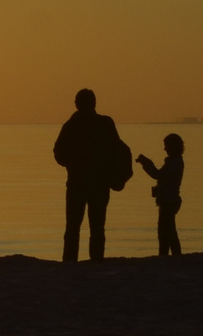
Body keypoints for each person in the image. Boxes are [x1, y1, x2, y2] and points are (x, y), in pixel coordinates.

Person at [51, 88, 128, 262]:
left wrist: (71, 164)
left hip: (80, 183)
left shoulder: (72, 125)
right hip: (97, 182)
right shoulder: (104, 124)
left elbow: (58, 152)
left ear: (77, 104)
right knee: (96, 227)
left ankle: (71, 262)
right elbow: (118, 149)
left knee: (74, 227)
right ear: (93, 103)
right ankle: (96, 261)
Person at [137, 133, 186, 257]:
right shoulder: (174, 162)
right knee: (168, 231)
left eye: (166, 146)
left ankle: (167, 255)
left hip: (169, 201)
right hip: (169, 200)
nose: (165, 149)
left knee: (166, 232)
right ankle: (171, 255)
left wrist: (146, 163)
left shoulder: (174, 162)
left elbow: (157, 175)